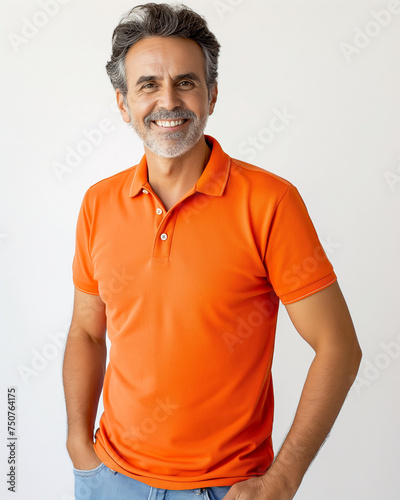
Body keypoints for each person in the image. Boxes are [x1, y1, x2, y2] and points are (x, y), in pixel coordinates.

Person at [62, 3, 362, 500]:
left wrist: (284, 479)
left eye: (186, 82)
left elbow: (339, 347)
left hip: (226, 490)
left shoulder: (270, 202)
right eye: (148, 85)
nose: (168, 101)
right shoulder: (98, 203)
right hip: (109, 480)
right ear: (122, 103)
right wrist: (79, 444)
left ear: (212, 95)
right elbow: (87, 331)